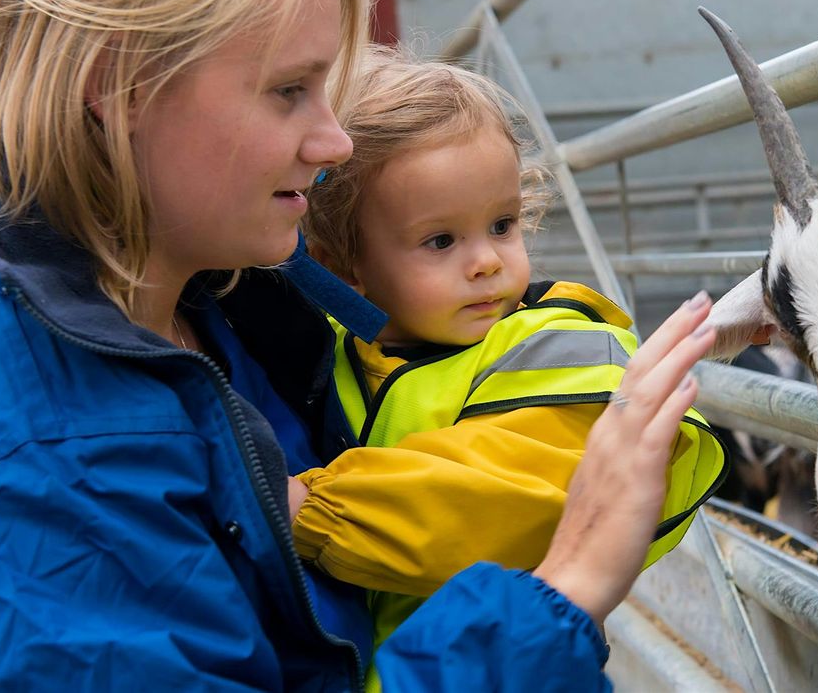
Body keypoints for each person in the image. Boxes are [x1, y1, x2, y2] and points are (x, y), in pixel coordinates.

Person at [0, 0, 718, 690]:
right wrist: (569, 584)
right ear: (119, 86)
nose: (336, 142)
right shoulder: (20, 458)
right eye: (289, 90)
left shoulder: (232, 308)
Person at [295, 49, 729, 653]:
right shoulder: (329, 352)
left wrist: (304, 507)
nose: (488, 261)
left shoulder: (559, 345)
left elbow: (501, 500)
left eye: (502, 224)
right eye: (441, 240)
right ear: (345, 268)